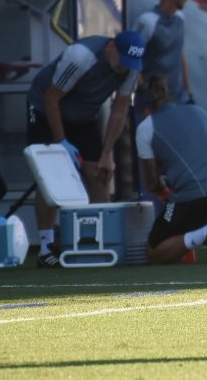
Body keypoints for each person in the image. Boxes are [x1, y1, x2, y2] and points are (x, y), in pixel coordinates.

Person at [26, 31, 145, 267]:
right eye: (122, 60)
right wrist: (61, 143)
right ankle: (46, 247)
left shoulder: (130, 68)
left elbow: (119, 110)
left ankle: (104, 243)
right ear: (111, 47)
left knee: (99, 174)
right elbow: (51, 99)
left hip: (83, 115)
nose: (124, 67)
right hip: (44, 108)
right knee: (49, 177)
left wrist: (106, 154)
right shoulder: (81, 56)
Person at [137, 75, 207, 265]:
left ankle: (204, 234)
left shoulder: (145, 127)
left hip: (192, 202)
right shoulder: (198, 111)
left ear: (146, 109)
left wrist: (166, 181)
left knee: (153, 252)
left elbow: (152, 183)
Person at [133, 0, 192, 106]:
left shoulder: (180, 18)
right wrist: (144, 91)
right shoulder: (147, 22)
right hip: (152, 101)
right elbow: (132, 58)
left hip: (178, 99)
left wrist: (188, 92)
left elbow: (180, 54)